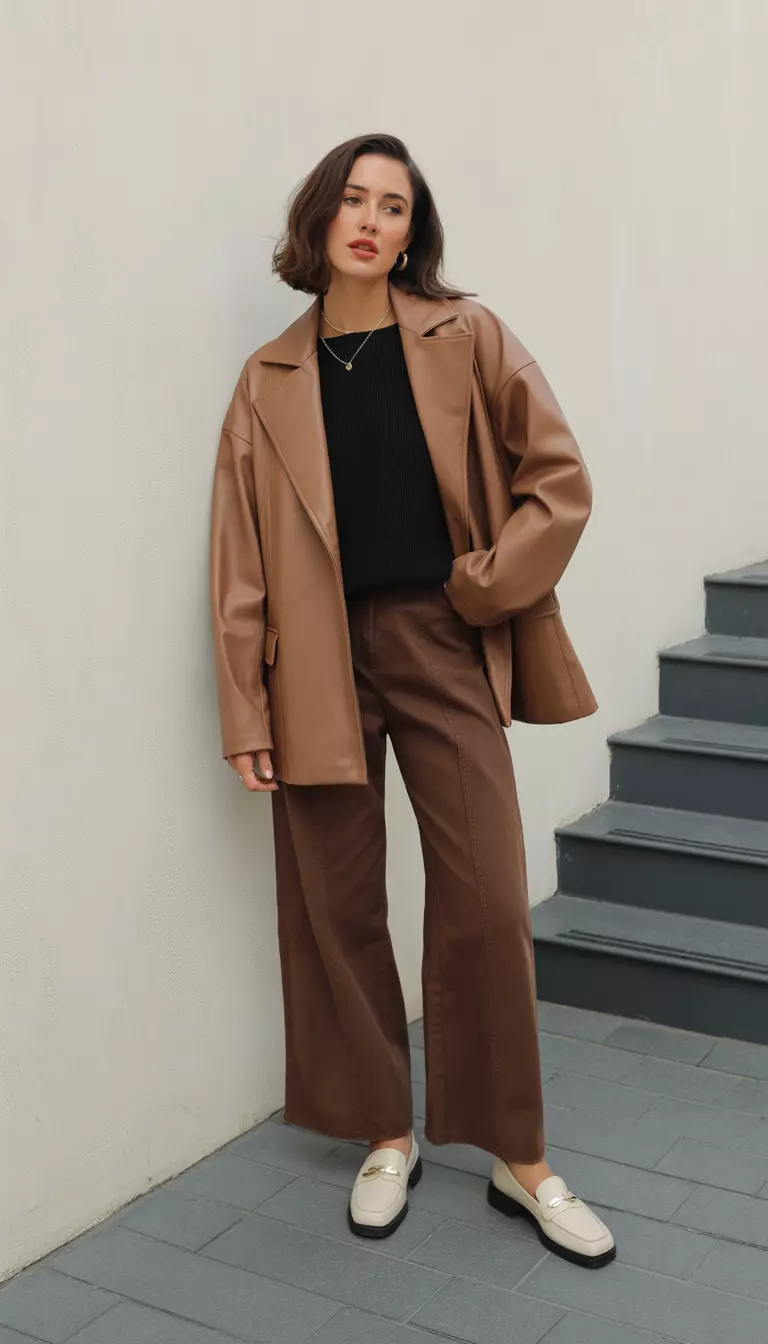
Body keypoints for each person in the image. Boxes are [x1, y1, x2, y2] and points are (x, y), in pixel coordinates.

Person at [209, 132, 615, 1268]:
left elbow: (560, 481)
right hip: (317, 665)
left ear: (412, 230)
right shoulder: (268, 377)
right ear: (320, 219)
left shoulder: (466, 334)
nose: (371, 219)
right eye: (353, 198)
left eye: (394, 204)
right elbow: (239, 561)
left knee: (484, 897)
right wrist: (246, 707)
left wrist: (483, 582)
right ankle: (386, 1132)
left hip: (442, 638)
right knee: (335, 905)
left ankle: (517, 1156)